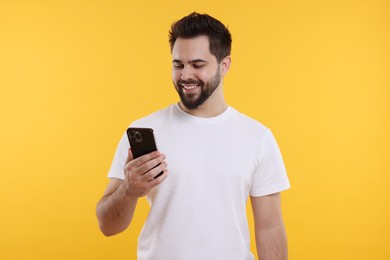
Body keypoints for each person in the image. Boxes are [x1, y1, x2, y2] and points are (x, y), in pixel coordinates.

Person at [96, 12, 290, 260]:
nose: (185, 75)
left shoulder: (257, 137)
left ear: (224, 65)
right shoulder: (145, 130)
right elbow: (108, 227)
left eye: (198, 65)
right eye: (178, 65)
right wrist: (129, 190)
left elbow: (270, 227)